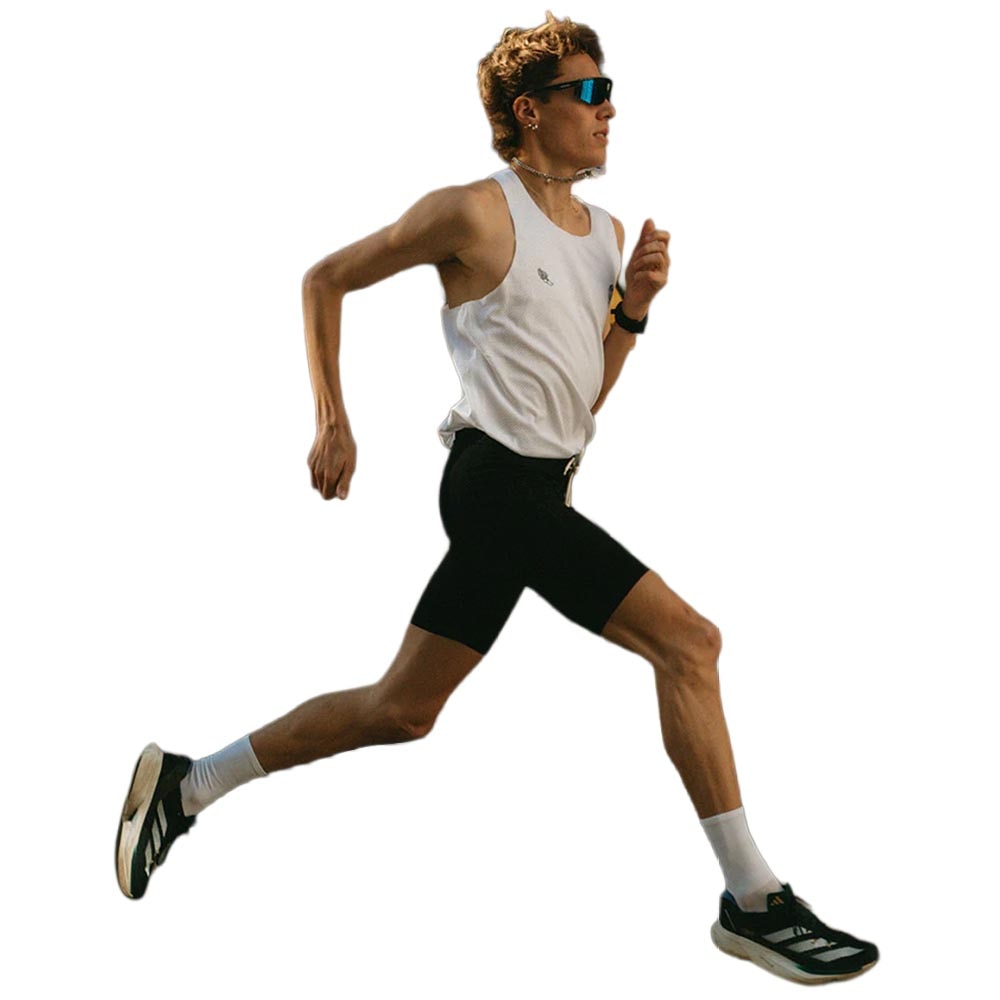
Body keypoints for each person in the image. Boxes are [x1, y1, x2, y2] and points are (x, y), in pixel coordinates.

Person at [115, 12, 878, 985]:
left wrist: (635, 309)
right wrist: (332, 418)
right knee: (690, 643)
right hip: (493, 488)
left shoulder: (605, 235)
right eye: (589, 92)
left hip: (540, 491)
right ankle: (753, 900)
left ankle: (188, 785)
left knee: (402, 709)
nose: (608, 110)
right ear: (530, 109)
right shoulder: (472, 213)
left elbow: (581, 400)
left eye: (609, 92)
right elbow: (325, 279)